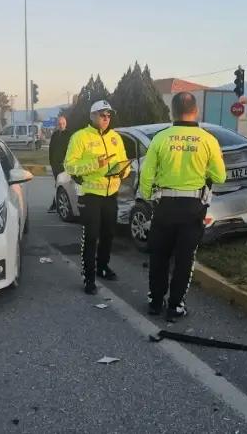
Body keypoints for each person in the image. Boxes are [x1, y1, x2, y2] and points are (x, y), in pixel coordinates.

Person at [139, 92, 226, 320]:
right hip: (193, 208)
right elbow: (220, 176)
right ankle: (175, 306)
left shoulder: (160, 138)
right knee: (184, 259)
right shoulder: (208, 140)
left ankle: (155, 302)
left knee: (159, 256)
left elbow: (146, 175)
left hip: (165, 206)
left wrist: (148, 196)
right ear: (196, 111)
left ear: (172, 112)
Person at [63, 101, 129, 294]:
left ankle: (102, 267)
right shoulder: (80, 137)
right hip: (90, 195)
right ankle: (89, 277)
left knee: (109, 234)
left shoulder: (115, 137)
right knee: (91, 236)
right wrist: (95, 164)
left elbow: (124, 161)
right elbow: (69, 166)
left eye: (109, 115)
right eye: (102, 115)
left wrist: (123, 172)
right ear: (92, 116)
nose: (106, 118)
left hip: (111, 194)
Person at [48, 115, 70, 213]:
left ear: (66, 124)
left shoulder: (69, 135)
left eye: (63, 123)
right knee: (57, 184)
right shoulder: (55, 135)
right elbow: (51, 149)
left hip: (64, 165)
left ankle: (56, 204)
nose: (61, 125)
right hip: (55, 165)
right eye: (59, 124)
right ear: (57, 124)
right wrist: (51, 162)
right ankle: (57, 204)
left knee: (61, 185)